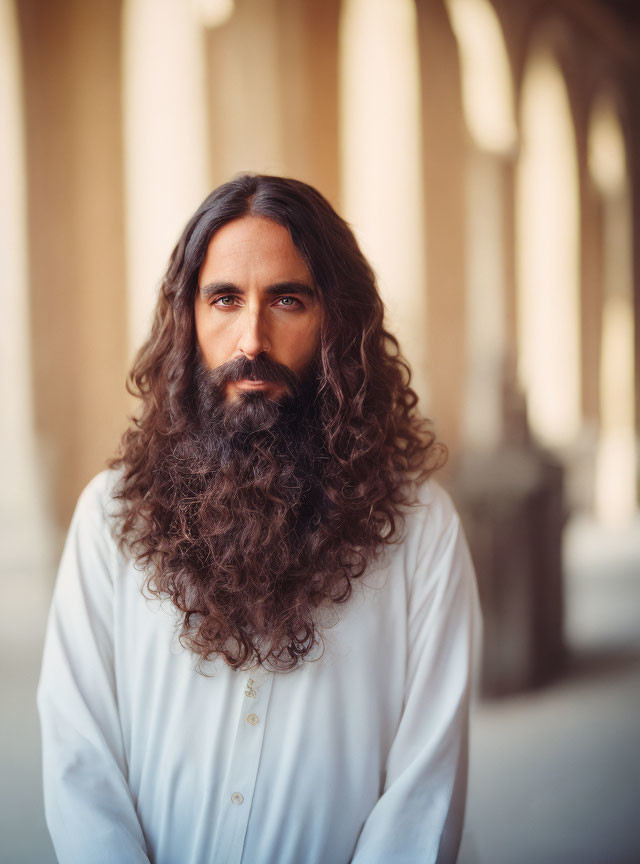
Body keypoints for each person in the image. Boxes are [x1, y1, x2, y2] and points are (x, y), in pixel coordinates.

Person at [38, 174, 481, 864]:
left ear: (337, 321)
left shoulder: (422, 529)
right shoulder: (110, 518)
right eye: (225, 299)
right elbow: (80, 761)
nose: (253, 337)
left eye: (288, 300)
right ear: (188, 321)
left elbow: (424, 800)